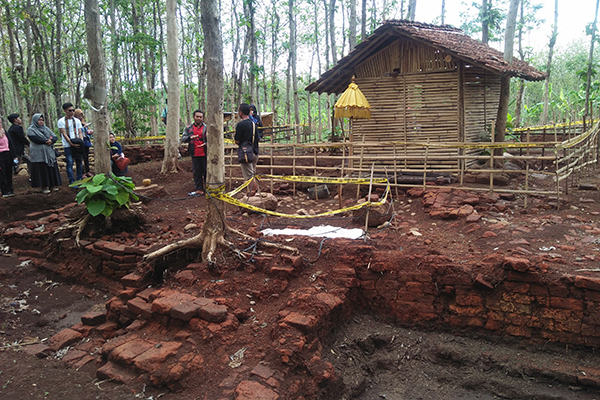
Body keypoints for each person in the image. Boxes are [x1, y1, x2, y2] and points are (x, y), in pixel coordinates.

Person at [27, 114, 61, 193]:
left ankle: (52, 185)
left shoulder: (46, 129)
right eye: (39, 120)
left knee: (50, 167)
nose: (41, 122)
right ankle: (44, 186)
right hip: (38, 154)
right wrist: (46, 141)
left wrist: (51, 141)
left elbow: (54, 137)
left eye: (42, 120)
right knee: (42, 170)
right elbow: (35, 139)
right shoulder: (31, 129)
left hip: (49, 153)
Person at [235, 103, 259, 196]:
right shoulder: (253, 124)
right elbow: (258, 138)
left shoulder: (240, 125)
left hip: (246, 154)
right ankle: (253, 193)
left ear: (241, 112)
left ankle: (253, 193)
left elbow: (237, 140)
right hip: (254, 152)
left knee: (249, 176)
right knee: (252, 173)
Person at [181, 109, 208, 196]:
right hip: (194, 153)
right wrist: (190, 137)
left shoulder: (206, 128)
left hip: (205, 153)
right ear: (194, 117)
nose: (199, 118)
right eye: (197, 116)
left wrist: (206, 144)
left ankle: (209, 189)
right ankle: (199, 189)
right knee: (197, 172)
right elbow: (183, 139)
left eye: (200, 117)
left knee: (206, 171)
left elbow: (212, 139)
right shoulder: (189, 128)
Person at [57, 102, 84, 184]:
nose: (72, 112)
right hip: (67, 145)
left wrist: (81, 141)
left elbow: (80, 132)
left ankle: (79, 179)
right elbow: (64, 133)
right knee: (70, 162)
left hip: (77, 142)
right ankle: (72, 180)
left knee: (79, 162)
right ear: (65, 111)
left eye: (73, 110)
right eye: (70, 110)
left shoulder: (77, 121)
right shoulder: (61, 121)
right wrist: (71, 143)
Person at [0, 118, 17, 197]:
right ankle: (4, 191)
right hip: (0, 155)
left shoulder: (5, 132)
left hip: (8, 154)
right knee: (2, 173)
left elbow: (11, 143)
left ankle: (10, 189)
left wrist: (14, 155)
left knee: (9, 172)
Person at [74, 109, 93, 177]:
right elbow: (76, 132)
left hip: (86, 141)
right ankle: (81, 173)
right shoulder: (74, 123)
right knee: (80, 158)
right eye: (79, 116)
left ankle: (87, 171)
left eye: (81, 116)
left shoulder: (84, 122)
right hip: (79, 141)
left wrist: (90, 132)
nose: (80, 117)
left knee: (86, 157)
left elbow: (86, 132)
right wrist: (83, 127)